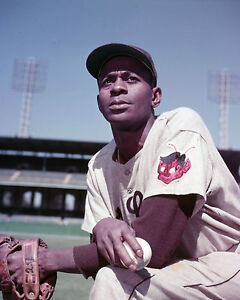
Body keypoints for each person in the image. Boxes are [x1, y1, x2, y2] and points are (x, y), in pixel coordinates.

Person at [7, 43, 240, 299]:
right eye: (107, 81)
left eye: (131, 78)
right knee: (115, 274)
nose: (117, 87)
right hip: (173, 276)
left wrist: (45, 260)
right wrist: (104, 227)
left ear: (155, 96)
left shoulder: (181, 128)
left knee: (116, 283)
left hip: (228, 265)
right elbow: (107, 257)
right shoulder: (98, 165)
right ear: (99, 101)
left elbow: (149, 248)